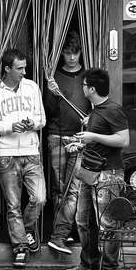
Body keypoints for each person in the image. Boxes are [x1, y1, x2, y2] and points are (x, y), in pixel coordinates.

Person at [62, 68, 131, 270]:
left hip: (109, 173)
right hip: (90, 171)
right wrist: (80, 144)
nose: (82, 88)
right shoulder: (95, 111)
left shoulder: (113, 110)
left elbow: (123, 140)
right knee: (83, 220)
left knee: (107, 223)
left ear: (92, 89)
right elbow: (99, 142)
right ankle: (88, 264)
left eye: (84, 85)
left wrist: (93, 135)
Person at [0, 48, 47, 267]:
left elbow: (42, 119)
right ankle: (20, 247)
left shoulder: (32, 87)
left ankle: (28, 229)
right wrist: (10, 126)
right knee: (13, 205)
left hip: (31, 151)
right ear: (7, 68)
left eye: (25, 68)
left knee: (39, 198)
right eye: (19, 68)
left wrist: (33, 123)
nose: (24, 72)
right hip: (7, 154)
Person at [42, 33, 90, 255]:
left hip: (80, 138)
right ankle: (62, 231)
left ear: (81, 53)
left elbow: (96, 105)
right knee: (59, 188)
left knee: (74, 188)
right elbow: (48, 112)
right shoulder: (55, 77)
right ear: (62, 53)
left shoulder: (88, 77)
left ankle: (60, 233)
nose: (72, 57)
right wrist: (52, 94)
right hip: (56, 135)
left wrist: (92, 121)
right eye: (68, 53)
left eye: (75, 53)